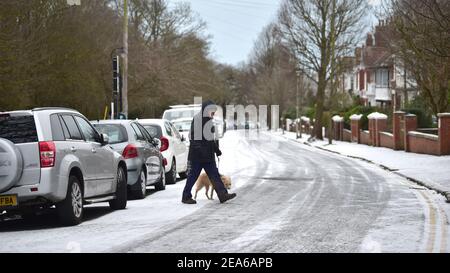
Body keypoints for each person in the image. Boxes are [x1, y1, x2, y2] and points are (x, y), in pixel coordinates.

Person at [182, 100, 237, 204]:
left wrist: (217, 150)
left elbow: (210, 139)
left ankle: (222, 194)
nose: (213, 113)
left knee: (215, 175)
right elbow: (193, 138)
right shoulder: (198, 119)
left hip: (208, 156)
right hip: (197, 156)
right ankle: (186, 196)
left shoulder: (209, 121)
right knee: (193, 176)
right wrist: (200, 150)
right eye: (212, 110)